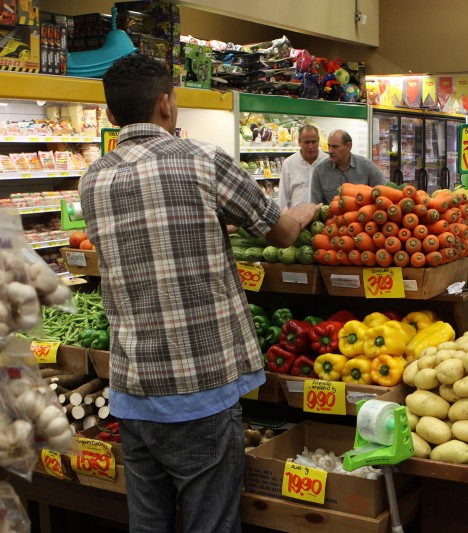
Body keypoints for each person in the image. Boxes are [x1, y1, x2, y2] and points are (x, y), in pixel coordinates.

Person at [79, 54, 319, 533]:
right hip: (198, 389)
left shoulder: (93, 180)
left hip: (131, 390)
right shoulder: (203, 160)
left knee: (147, 523)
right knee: (210, 523)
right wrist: (304, 214)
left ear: (110, 116)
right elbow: (279, 234)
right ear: (166, 104)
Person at [310, 129, 386, 203]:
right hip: (332, 215)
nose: (330, 151)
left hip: (363, 214)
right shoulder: (319, 170)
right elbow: (315, 205)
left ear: (348, 146)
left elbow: (385, 192)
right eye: (329, 146)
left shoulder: (367, 166)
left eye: (335, 147)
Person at [278, 124, 328, 208]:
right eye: (306, 142)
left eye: (314, 142)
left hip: (323, 218)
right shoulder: (289, 163)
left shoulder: (327, 162)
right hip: (296, 219)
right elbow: (283, 197)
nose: (310, 146)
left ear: (318, 141)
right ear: (299, 142)